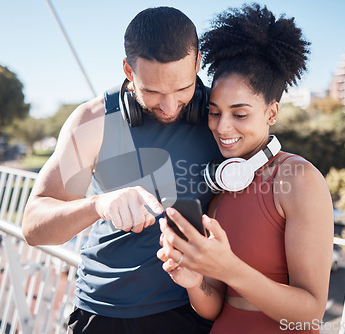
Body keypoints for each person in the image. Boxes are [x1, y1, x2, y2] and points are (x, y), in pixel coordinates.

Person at [22, 6, 221, 334]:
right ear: (129, 70)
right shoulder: (92, 120)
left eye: (182, 90)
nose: (170, 107)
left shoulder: (222, 117)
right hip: (103, 311)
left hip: (190, 310)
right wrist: (97, 205)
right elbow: (33, 227)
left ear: (198, 63)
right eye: (153, 92)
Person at [157, 3, 334, 333]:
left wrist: (230, 267)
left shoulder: (299, 180)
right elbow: (213, 306)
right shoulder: (222, 188)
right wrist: (194, 281)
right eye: (214, 112)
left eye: (239, 114)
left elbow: (310, 314)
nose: (223, 127)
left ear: (271, 113)